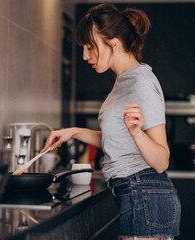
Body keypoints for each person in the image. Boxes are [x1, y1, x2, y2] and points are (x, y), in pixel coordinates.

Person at [41, 3, 181, 240]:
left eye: (89, 47)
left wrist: (137, 133)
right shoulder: (123, 81)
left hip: (145, 192)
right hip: (136, 193)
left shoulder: (142, 83)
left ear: (113, 43)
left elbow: (161, 160)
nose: (85, 56)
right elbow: (118, 139)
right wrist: (73, 132)